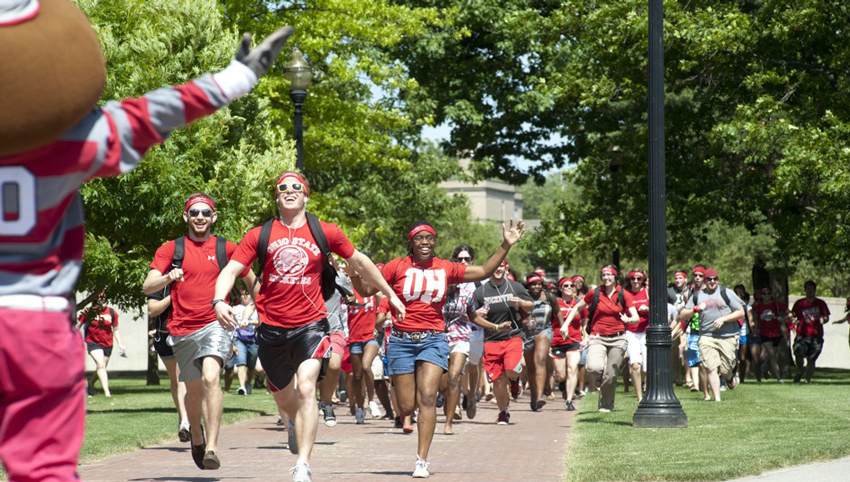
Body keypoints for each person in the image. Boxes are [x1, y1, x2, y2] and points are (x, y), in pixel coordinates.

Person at [0, 1, 293, 478]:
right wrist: (235, 78)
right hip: (35, 323)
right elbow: (150, 114)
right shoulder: (70, 145)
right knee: (43, 468)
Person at [213, 172, 405, 482]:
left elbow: (360, 262)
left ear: (306, 196)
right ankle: (291, 421)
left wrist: (391, 294)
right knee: (284, 396)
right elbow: (232, 269)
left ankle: (303, 464)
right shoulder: (258, 235)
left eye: (296, 188)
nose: (289, 191)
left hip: (311, 325)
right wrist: (219, 300)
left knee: (306, 388)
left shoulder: (324, 231)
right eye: (283, 188)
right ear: (277, 197)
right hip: (272, 328)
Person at [350, 220, 525, 478]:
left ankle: (421, 461)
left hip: (433, 339)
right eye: (419, 238)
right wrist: (354, 270)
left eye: (429, 239)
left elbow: (485, 270)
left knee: (428, 398)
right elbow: (365, 289)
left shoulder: (445, 268)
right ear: (410, 242)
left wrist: (506, 244)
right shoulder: (395, 267)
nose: (424, 243)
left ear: (435, 243)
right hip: (400, 341)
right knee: (407, 407)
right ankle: (412, 416)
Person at [143, 193, 255, 470]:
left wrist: (262, 310)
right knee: (193, 391)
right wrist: (170, 275)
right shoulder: (171, 249)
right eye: (195, 213)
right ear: (186, 217)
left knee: (211, 377)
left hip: (216, 323)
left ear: (214, 216)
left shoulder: (227, 248)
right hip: (182, 329)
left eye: (206, 212)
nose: (200, 217)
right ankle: (196, 433)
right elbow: (148, 287)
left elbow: (253, 283)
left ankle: (213, 447)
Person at [562, 266, 639, 412]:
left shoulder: (624, 294)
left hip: (618, 338)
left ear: (615, 276)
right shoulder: (596, 292)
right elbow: (577, 307)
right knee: (594, 367)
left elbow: (635, 317)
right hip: (598, 337)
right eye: (603, 275)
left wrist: (627, 319)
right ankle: (600, 380)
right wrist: (565, 324)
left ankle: (606, 405)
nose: (606, 277)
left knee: (611, 375)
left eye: (609, 275)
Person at [472, 260, 535, 424]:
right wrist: (477, 313)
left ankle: (514, 380)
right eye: (495, 266)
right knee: (498, 380)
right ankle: (503, 412)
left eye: (501, 266)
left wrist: (521, 303)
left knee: (511, 369)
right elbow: (472, 315)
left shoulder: (516, 287)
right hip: (491, 340)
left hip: (513, 336)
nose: (498, 269)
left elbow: (530, 306)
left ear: (506, 268)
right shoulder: (480, 292)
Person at [677, 268, 745, 402]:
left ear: (718, 280)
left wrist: (723, 319)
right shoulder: (697, 295)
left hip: (727, 335)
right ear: (705, 280)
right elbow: (683, 315)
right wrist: (696, 309)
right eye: (709, 279)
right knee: (711, 367)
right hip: (706, 336)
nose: (712, 281)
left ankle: (729, 377)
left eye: (715, 279)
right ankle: (717, 399)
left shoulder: (726, 293)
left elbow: (741, 312)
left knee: (725, 369)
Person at [147, 289, 191, 441]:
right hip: (163, 335)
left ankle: (185, 422)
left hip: (185, 334)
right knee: (175, 379)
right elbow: (152, 310)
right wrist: (172, 296)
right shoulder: (160, 282)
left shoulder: (190, 279)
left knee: (181, 377)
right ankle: (182, 417)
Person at [438, 268, 478, 434]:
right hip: (439, 339)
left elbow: (473, 316)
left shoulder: (467, 294)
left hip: (460, 339)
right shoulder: (435, 294)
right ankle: (449, 403)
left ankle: (448, 423)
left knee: (454, 378)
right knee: (443, 386)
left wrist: (495, 326)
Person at [451, 244, 485, 419]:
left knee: (472, 367)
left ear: (472, 261)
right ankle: (454, 404)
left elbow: (486, 304)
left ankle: (471, 397)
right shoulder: (450, 280)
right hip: (455, 331)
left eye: (467, 259)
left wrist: (480, 312)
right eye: (460, 259)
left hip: (475, 332)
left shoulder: (479, 282)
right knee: (456, 370)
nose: (463, 262)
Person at [523, 273, 564, 411]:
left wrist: (563, 326)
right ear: (528, 286)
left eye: (539, 284)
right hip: (527, 333)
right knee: (530, 368)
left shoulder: (549, 296)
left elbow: (557, 311)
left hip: (544, 330)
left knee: (540, 360)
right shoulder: (523, 297)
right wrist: (525, 321)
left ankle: (540, 397)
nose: (537, 286)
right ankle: (534, 397)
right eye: (533, 284)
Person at [77, 293, 125, 397]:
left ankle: (90, 383)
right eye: (99, 299)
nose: (102, 301)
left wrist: (120, 344)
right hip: (92, 342)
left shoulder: (112, 313)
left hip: (108, 343)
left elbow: (115, 329)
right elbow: (78, 326)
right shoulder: (88, 312)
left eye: (104, 299)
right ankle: (107, 392)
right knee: (101, 364)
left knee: (101, 367)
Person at [554, 277, 587, 411]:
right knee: (561, 375)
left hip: (574, 340)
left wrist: (584, 333)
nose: (569, 287)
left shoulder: (579, 303)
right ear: (561, 288)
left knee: (573, 368)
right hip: (557, 341)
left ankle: (569, 400)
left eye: (571, 285)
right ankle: (562, 385)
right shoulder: (555, 303)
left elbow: (584, 321)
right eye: (565, 285)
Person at [790, 280, 830, 383]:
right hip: (802, 335)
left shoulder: (820, 303)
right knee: (798, 355)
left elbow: (826, 317)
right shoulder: (800, 303)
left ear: (815, 290)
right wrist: (792, 320)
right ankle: (800, 371)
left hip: (816, 336)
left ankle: (807, 380)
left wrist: (823, 320)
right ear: (805, 290)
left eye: (812, 288)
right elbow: (793, 316)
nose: (810, 290)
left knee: (811, 359)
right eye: (808, 288)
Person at [753, 287, 790, 382]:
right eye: (764, 294)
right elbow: (755, 318)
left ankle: (765, 365)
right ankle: (778, 378)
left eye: (768, 293)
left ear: (771, 295)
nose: (766, 296)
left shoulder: (776, 304)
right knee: (772, 354)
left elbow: (788, 313)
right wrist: (755, 328)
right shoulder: (757, 305)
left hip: (776, 332)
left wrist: (783, 318)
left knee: (774, 355)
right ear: (761, 295)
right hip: (764, 333)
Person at [624, 269, 649, 403]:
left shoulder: (647, 292)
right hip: (631, 332)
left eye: (638, 279)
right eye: (633, 279)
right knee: (635, 365)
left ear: (643, 280)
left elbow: (658, 311)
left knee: (646, 366)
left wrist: (647, 309)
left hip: (645, 331)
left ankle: (646, 385)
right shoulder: (626, 294)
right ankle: (639, 397)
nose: (635, 281)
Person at [233, 290, 263, 394]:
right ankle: (242, 387)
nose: (245, 296)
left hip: (253, 338)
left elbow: (261, 322)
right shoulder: (235, 308)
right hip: (239, 338)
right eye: (243, 294)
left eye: (247, 294)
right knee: (241, 362)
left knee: (251, 365)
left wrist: (248, 321)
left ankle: (247, 384)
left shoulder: (257, 307)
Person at [733, 285, 760, 382]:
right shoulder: (730, 304)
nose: (739, 294)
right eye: (737, 292)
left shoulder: (746, 307)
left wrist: (753, 329)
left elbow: (750, 318)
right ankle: (733, 376)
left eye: (741, 292)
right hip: (731, 333)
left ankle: (742, 378)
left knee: (742, 358)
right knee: (732, 357)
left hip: (743, 333)